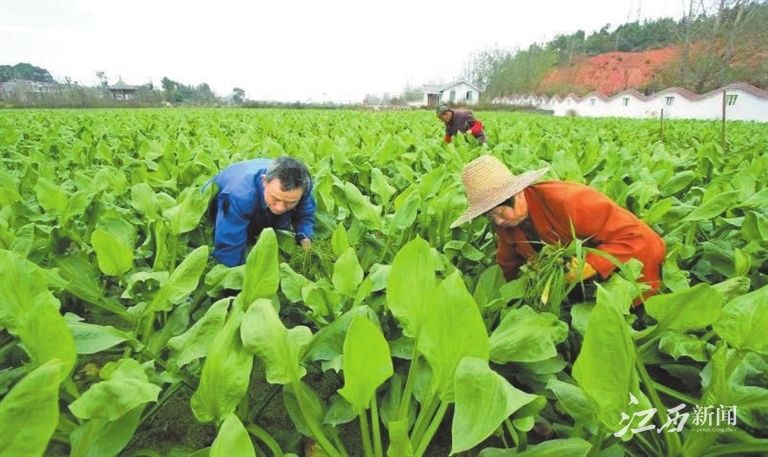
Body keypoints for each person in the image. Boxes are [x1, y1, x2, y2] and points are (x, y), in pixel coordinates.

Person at [450, 155, 665, 299]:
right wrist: (512, 296)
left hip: (635, 268)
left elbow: (634, 237)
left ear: (517, 193)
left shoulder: (570, 201)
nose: (498, 221)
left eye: (499, 211)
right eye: (490, 216)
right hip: (581, 283)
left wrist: (592, 264)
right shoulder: (507, 225)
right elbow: (507, 264)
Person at [208, 156, 315, 267]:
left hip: (258, 200)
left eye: (290, 202)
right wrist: (235, 275)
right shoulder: (240, 195)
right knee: (236, 237)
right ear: (264, 181)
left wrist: (305, 238)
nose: (280, 208)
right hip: (220, 200)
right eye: (276, 198)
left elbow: (305, 214)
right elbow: (229, 245)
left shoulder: (302, 185)